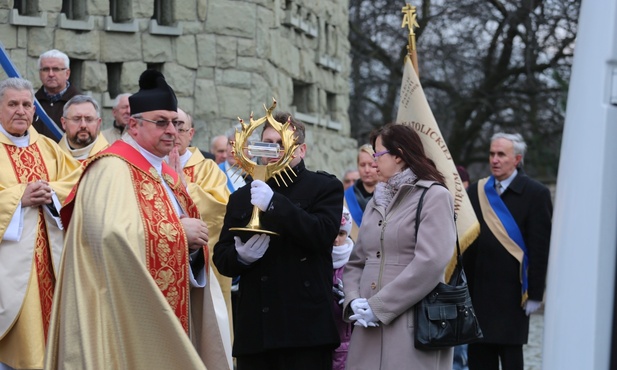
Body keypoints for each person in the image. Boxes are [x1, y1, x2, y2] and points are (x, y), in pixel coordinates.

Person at [44, 70, 231, 370]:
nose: (171, 130)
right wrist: (177, 232)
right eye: (161, 122)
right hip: (117, 317)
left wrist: (194, 248)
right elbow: (106, 237)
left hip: (166, 312)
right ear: (133, 125)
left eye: (176, 122)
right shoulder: (110, 168)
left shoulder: (167, 175)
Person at [213, 112, 343, 370]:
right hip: (257, 331)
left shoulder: (324, 187)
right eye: (268, 142)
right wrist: (241, 258)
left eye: (281, 143)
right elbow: (222, 257)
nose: (273, 149)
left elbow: (321, 235)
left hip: (305, 330)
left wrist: (275, 204)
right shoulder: (242, 195)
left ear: (301, 150)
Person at [342, 123, 456, 370]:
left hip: (413, 325)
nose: (373, 163)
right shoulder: (377, 199)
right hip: (368, 328)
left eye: (378, 155)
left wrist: (380, 307)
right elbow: (357, 261)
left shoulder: (434, 196)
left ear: (399, 155)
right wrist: (352, 300)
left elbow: (431, 262)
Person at [0, 77, 81, 370]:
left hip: (51, 263)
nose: (21, 111)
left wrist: (52, 194)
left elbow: (75, 184)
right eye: (12, 104)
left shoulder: (48, 147)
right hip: (8, 269)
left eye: (26, 104)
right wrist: (18, 198)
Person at [463, 132, 552, 370]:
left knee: (511, 360)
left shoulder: (536, 194)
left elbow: (540, 248)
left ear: (517, 159)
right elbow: (467, 245)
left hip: (513, 296)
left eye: (501, 154)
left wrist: (534, 293)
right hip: (479, 293)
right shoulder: (476, 192)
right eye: (492, 154)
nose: (495, 159)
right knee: (479, 360)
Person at [167, 107, 233, 346]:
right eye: (168, 124)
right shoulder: (151, 165)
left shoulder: (208, 169)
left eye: (180, 127)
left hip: (202, 268)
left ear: (191, 133)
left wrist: (185, 187)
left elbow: (220, 211)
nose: (173, 132)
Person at [33, 49, 81, 141]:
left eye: (56, 69)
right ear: (40, 73)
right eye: (46, 69)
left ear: (67, 73)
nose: (51, 74)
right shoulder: (31, 103)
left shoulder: (81, 104)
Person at [331, 207, 354, 370]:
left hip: (346, 339)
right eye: (333, 232)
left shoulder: (354, 262)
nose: (336, 240)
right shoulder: (316, 258)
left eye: (341, 233)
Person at [58, 95, 109, 161]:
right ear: (64, 123)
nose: (83, 125)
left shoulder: (110, 159)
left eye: (89, 119)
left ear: (98, 123)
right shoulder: (53, 158)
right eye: (76, 119)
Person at [344, 144, 378, 240]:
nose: (366, 170)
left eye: (371, 165)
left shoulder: (389, 195)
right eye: (362, 165)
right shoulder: (345, 198)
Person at [218, 125, 256, 193]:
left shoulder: (260, 175)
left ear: (252, 151)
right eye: (231, 144)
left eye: (239, 145)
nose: (233, 150)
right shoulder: (216, 172)